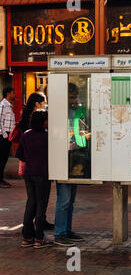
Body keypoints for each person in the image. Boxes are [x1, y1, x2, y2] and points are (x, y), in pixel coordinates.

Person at [53, 83, 87, 247]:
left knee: (71, 199)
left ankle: (67, 229)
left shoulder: (75, 113)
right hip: (62, 159)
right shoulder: (58, 113)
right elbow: (60, 140)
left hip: (75, 159)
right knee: (64, 199)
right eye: (71, 97)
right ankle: (60, 233)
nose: (73, 100)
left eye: (74, 97)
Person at [16, 110, 54, 248]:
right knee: (41, 206)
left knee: (31, 203)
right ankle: (39, 238)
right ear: (43, 122)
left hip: (29, 173)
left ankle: (27, 237)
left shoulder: (26, 135)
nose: (48, 122)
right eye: (46, 120)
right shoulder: (47, 136)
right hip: (42, 174)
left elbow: (19, 154)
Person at [0, 87, 16, 188]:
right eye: (13, 93)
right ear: (8, 94)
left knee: (4, 158)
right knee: (1, 158)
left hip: (8, 136)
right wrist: (5, 135)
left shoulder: (9, 106)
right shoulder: (2, 105)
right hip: (3, 136)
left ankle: (1, 178)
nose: (14, 95)